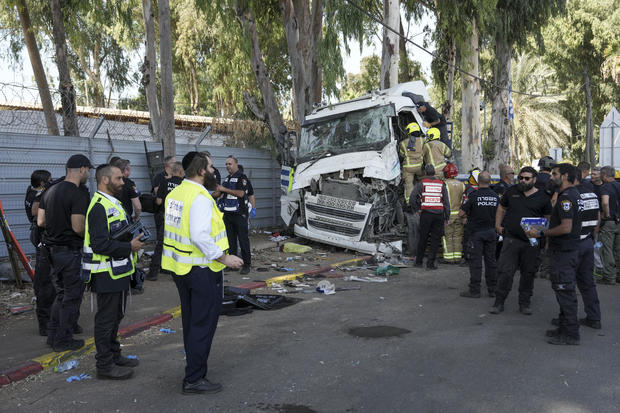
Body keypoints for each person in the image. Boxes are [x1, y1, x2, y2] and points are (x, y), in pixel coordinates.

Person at [162, 152, 243, 394]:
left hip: (182, 269)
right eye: (209, 166)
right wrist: (224, 257)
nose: (213, 170)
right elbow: (198, 235)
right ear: (200, 170)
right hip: (201, 270)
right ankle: (194, 378)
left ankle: (194, 370)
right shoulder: (199, 197)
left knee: (191, 322)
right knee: (202, 325)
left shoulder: (175, 193)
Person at [82, 164, 144, 379]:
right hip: (104, 273)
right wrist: (130, 247)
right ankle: (105, 366)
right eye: (118, 178)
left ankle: (115, 355)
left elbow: (115, 234)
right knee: (106, 320)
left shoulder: (113, 202)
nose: (123, 182)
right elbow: (99, 244)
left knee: (115, 317)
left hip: (118, 272)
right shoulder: (98, 206)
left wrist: (131, 239)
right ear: (105, 180)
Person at [37, 154, 92, 351]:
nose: (88, 175)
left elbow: (40, 221)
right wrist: (92, 237)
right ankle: (63, 340)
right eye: (88, 171)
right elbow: (78, 227)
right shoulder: (76, 193)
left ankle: (53, 336)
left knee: (60, 295)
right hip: (70, 252)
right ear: (83, 169)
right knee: (71, 298)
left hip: (52, 252)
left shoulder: (50, 190)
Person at [526, 163, 581, 345]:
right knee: (562, 290)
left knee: (565, 291)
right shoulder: (572, 194)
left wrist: (541, 233)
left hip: (565, 252)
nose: (550, 177)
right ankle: (564, 327)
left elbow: (566, 227)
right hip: (567, 250)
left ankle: (571, 334)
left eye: (554, 174)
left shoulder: (566, 198)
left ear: (564, 176)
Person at [490, 166, 552, 315]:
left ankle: (524, 303)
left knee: (528, 273)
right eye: (521, 178)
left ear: (534, 180)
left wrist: (543, 234)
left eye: (526, 178)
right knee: (505, 272)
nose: (523, 181)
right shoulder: (511, 192)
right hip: (511, 239)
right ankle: (498, 303)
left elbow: (548, 219)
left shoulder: (543, 197)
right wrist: (498, 225)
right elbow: (501, 208)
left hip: (532, 243)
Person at [548, 167, 602, 332]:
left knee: (565, 284)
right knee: (587, 283)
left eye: (555, 174)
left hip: (573, 244)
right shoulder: (591, 193)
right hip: (587, 241)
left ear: (568, 177)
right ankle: (594, 318)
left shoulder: (569, 196)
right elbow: (598, 218)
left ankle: (568, 324)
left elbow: (566, 225)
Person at [459, 171, 499, 298]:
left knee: (476, 262)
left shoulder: (474, 196)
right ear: (490, 181)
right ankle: (492, 289)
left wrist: (467, 216)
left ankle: (475, 290)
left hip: (476, 233)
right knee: (491, 262)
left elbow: (461, 213)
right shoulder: (495, 196)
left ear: (478, 181)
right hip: (491, 233)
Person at [25, 170, 55, 336]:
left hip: (39, 236)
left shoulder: (30, 191)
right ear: (43, 183)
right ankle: (45, 322)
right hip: (41, 236)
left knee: (47, 281)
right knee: (45, 282)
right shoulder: (37, 196)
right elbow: (37, 213)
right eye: (49, 181)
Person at [146, 161, 185, 281]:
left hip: (167, 217)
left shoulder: (164, 182)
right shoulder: (184, 184)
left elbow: (158, 201)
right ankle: (177, 272)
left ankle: (153, 273)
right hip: (180, 218)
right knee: (178, 245)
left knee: (161, 244)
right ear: (180, 172)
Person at [411, 164, 450, 270]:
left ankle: (419, 262)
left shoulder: (421, 183)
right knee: (435, 240)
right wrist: (447, 217)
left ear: (425, 173)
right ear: (434, 173)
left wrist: (417, 209)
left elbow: (412, 197)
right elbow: (446, 202)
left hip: (426, 215)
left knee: (423, 238)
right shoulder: (442, 184)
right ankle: (430, 264)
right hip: (438, 215)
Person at [217, 156, 252, 275]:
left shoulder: (242, 177)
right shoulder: (227, 179)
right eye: (226, 164)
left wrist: (224, 189)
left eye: (230, 164)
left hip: (239, 214)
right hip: (228, 214)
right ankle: (232, 264)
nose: (227, 166)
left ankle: (247, 265)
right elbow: (220, 192)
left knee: (243, 240)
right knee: (230, 241)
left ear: (236, 164)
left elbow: (241, 193)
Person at [597, 165, 620, 284]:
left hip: (610, 221)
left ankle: (609, 276)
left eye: (601, 174)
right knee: (618, 249)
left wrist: (606, 215)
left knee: (607, 249)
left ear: (604, 175)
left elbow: (605, 202)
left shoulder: (605, 187)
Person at [441, 163, 465, 263]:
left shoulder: (444, 184)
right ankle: (457, 257)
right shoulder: (462, 185)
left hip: (448, 216)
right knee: (457, 237)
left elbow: (442, 200)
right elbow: (464, 200)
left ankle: (448, 258)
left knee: (447, 237)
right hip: (459, 215)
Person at [399, 122, 425, 205]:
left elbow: (401, 155)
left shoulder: (403, 143)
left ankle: (410, 203)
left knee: (409, 185)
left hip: (408, 167)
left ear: (409, 132)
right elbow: (426, 152)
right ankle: (424, 199)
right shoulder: (422, 140)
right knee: (423, 182)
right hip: (420, 167)